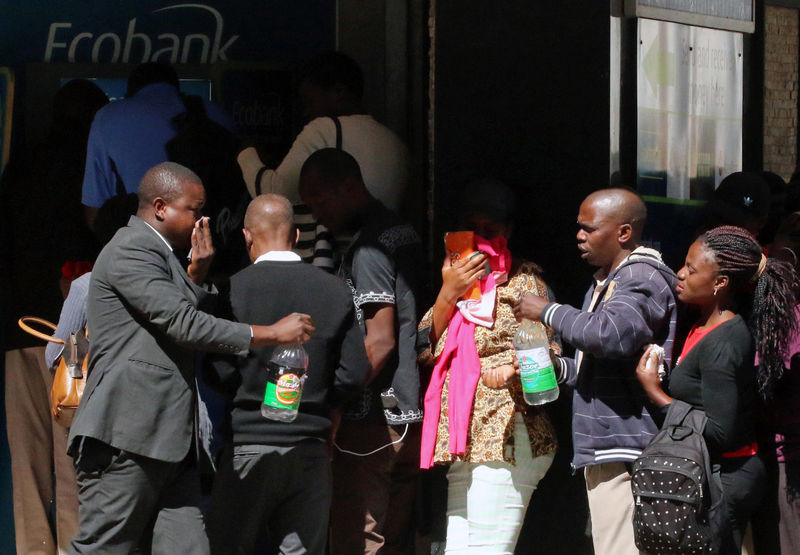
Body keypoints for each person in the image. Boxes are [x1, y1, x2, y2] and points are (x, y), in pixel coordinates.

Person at [67, 162, 315, 554]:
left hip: (171, 443)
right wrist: (270, 334)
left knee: (189, 548)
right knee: (104, 547)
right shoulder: (131, 248)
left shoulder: (163, 255)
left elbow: (173, 316)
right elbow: (182, 324)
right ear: (161, 207)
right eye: (194, 210)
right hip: (127, 438)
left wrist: (196, 277)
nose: (203, 221)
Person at [513, 188, 678, 555]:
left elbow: (610, 334)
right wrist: (556, 368)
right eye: (579, 228)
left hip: (628, 450)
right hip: (608, 448)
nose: (579, 236)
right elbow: (597, 364)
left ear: (624, 232)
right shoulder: (607, 280)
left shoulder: (641, 275)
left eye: (589, 228)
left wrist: (548, 311)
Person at [204, 193, 369, 554]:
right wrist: (325, 399)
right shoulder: (334, 289)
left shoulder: (231, 290)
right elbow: (355, 372)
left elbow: (215, 368)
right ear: (296, 236)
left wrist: (245, 387)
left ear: (247, 236)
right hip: (310, 449)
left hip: (247, 447)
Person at [635, 225, 798, 554]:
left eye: (692, 269)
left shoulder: (725, 341)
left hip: (726, 480)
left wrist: (656, 392)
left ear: (720, 283)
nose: (680, 273)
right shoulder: (703, 324)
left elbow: (722, 431)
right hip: (713, 472)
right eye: (685, 264)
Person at [418, 178, 558, 553]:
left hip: (507, 438)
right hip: (465, 441)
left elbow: (547, 350)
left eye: (490, 231)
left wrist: (513, 368)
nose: (480, 240)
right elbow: (424, 350)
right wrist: (449, 292)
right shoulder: (459, 285)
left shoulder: (526, 283)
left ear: (508, 231)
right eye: (472, 230)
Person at [0, 78, 108, 555]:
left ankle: (33, 547)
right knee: (75, 455)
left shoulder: (19, 169)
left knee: (27, 458)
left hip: (18, 329)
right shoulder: (95, 172)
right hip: (75, 334)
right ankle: (75, 547)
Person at [299, 149, 425, 554]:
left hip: (371, 418)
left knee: (357, 538)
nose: (316, 213)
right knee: (394, 539)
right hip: (409, 413)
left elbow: (381, 340)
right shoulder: (403, 232)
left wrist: (336, 401)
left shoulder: (370, 247)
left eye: (320, 198)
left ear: (350, 186)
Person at [238, 51, 409, 269]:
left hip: (337, 263)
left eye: (310, 101)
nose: (308, 113)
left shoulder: (325, 128)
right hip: (384, 259)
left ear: (338, 91)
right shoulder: (396, 142)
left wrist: (246, 153)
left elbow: (272, 192)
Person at [81, 62, 235, 229]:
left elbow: (95, 211)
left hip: (142, 236)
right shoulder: (216, 113)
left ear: (131, 92)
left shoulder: (108, 117)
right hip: (213, 231)